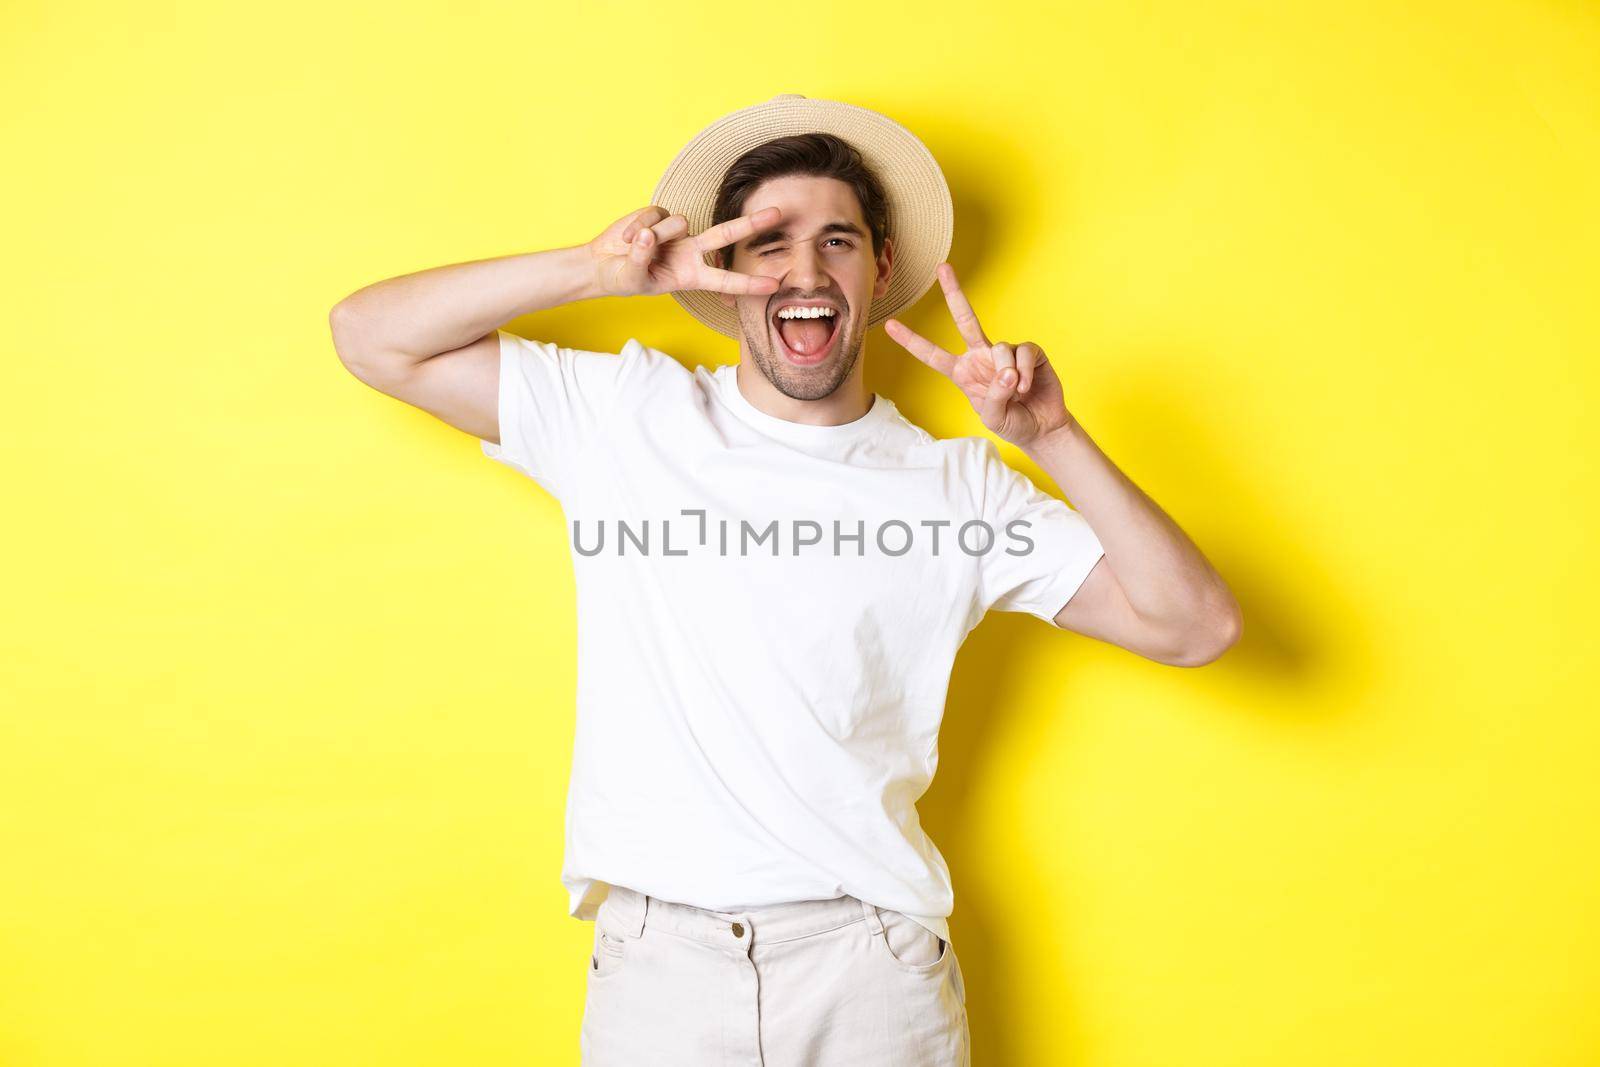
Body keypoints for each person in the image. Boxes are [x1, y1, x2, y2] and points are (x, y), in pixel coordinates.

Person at [330, 94, 1241, 1066]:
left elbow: (1194, 625)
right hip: (658, 973)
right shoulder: (624, 414)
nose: (803, 270)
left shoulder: (957, 485)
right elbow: (370, 335)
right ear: (725, 272)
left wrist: (1051, 437)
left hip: (869, 970)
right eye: (767, 243)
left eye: (837, 241)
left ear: (879, 269)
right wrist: (597, 270)